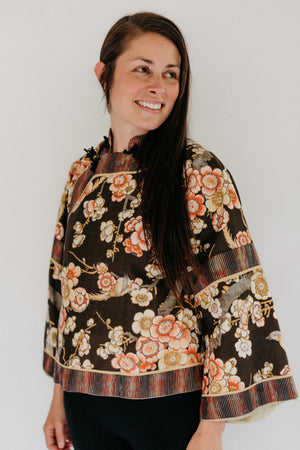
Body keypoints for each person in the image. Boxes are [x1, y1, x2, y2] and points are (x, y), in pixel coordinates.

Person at [43, 12, 297, 450]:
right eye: (142, 68)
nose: (158, 86)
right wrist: (58, 399)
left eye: (171, 74)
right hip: (86, 405)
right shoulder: (83, 174)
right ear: (104, 74)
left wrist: (211, 428)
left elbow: (236, 296)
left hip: (169, 411)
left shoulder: (198, 173)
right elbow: (65, 293)